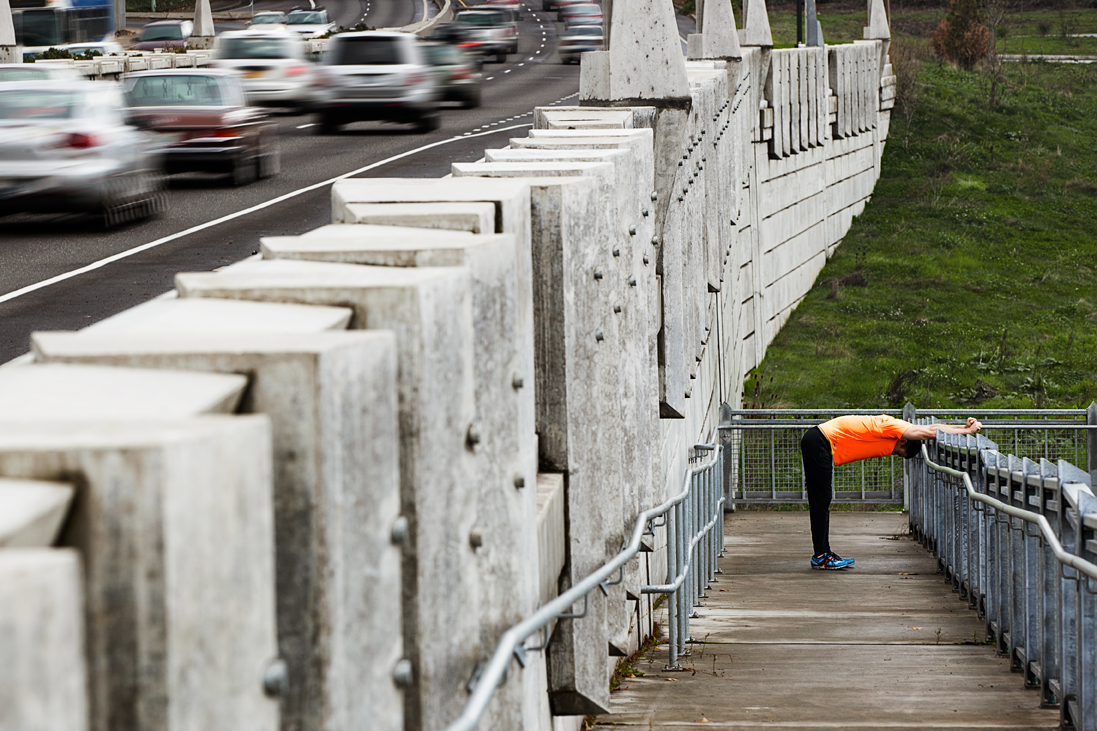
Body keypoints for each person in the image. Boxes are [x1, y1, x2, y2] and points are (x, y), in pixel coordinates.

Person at [800, 414, 983, 570]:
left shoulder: (900, 426)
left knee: (822, 500)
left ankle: (823, 553)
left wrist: (962, 426)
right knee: (821, 500)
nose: (893, 453)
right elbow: (929, 432)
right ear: (903, 441)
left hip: (818, 441)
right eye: (899, 453)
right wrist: (967, 432)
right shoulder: (896, 428)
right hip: (819, 442)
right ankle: (822, 556)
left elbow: (932, 426)